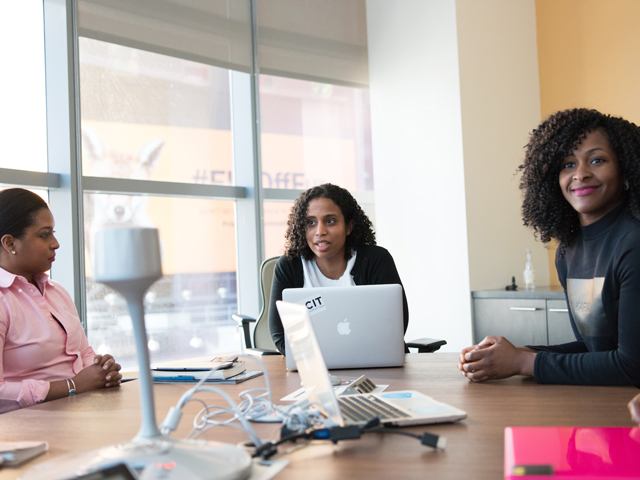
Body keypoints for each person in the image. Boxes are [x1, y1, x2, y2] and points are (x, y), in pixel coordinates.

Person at [458, 108, 640, 386]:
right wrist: (515, 354)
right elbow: (593, 350)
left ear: (625, 168)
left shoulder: (634, 242)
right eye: (568, 164)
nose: (580, 174)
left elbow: (631, 366)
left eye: (597, 160)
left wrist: (522, 362)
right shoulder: (568, 251)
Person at [0, 188, 122, 414]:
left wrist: (101, 370)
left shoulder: (56, 292)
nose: (55, 243)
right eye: (44, 234)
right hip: (27, 427)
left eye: (53, 233)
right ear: (9, 243)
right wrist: (74, 386)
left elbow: (83, 353)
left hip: (79, 413)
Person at [269, 183, 409, 354]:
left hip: (376, 363)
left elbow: (396, 325)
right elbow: (280, 336)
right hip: (314, 368)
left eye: (330, 221)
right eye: (311, 222)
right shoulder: (290, 266)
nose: (320, 231)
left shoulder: (375, 260)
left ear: (349, 226)